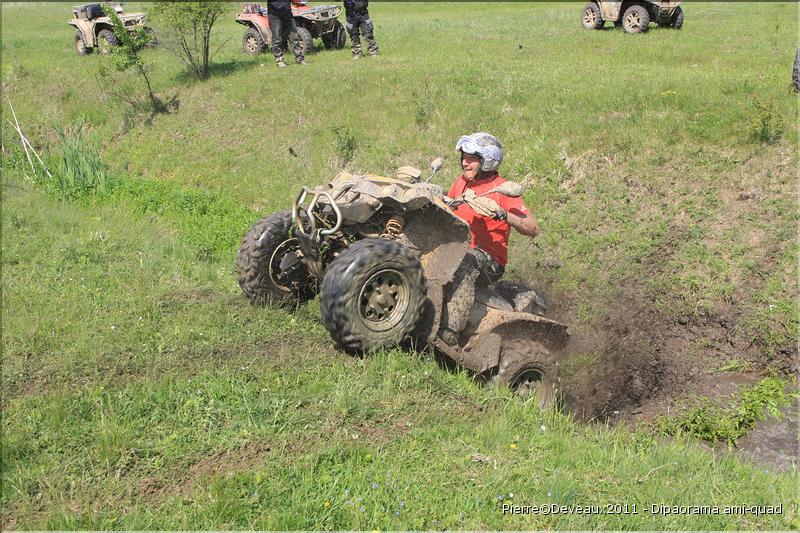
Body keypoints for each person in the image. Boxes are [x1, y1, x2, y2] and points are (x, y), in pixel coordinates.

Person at [440, 132, 540, 346]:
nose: (465, 162)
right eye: (463, 157)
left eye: (471, 158)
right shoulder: (461, 183)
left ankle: (450, 333)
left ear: (487, 161)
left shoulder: (502, 190)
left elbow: (533, 228)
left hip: (489, 261)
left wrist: (504, 214)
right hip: (460, 247)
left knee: (465, 262)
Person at [266, 0, 307, 68]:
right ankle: (279, 60)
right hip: (275, 16)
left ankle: (300, 59)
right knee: (277, 39)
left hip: (288, 14)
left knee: (294, 37)